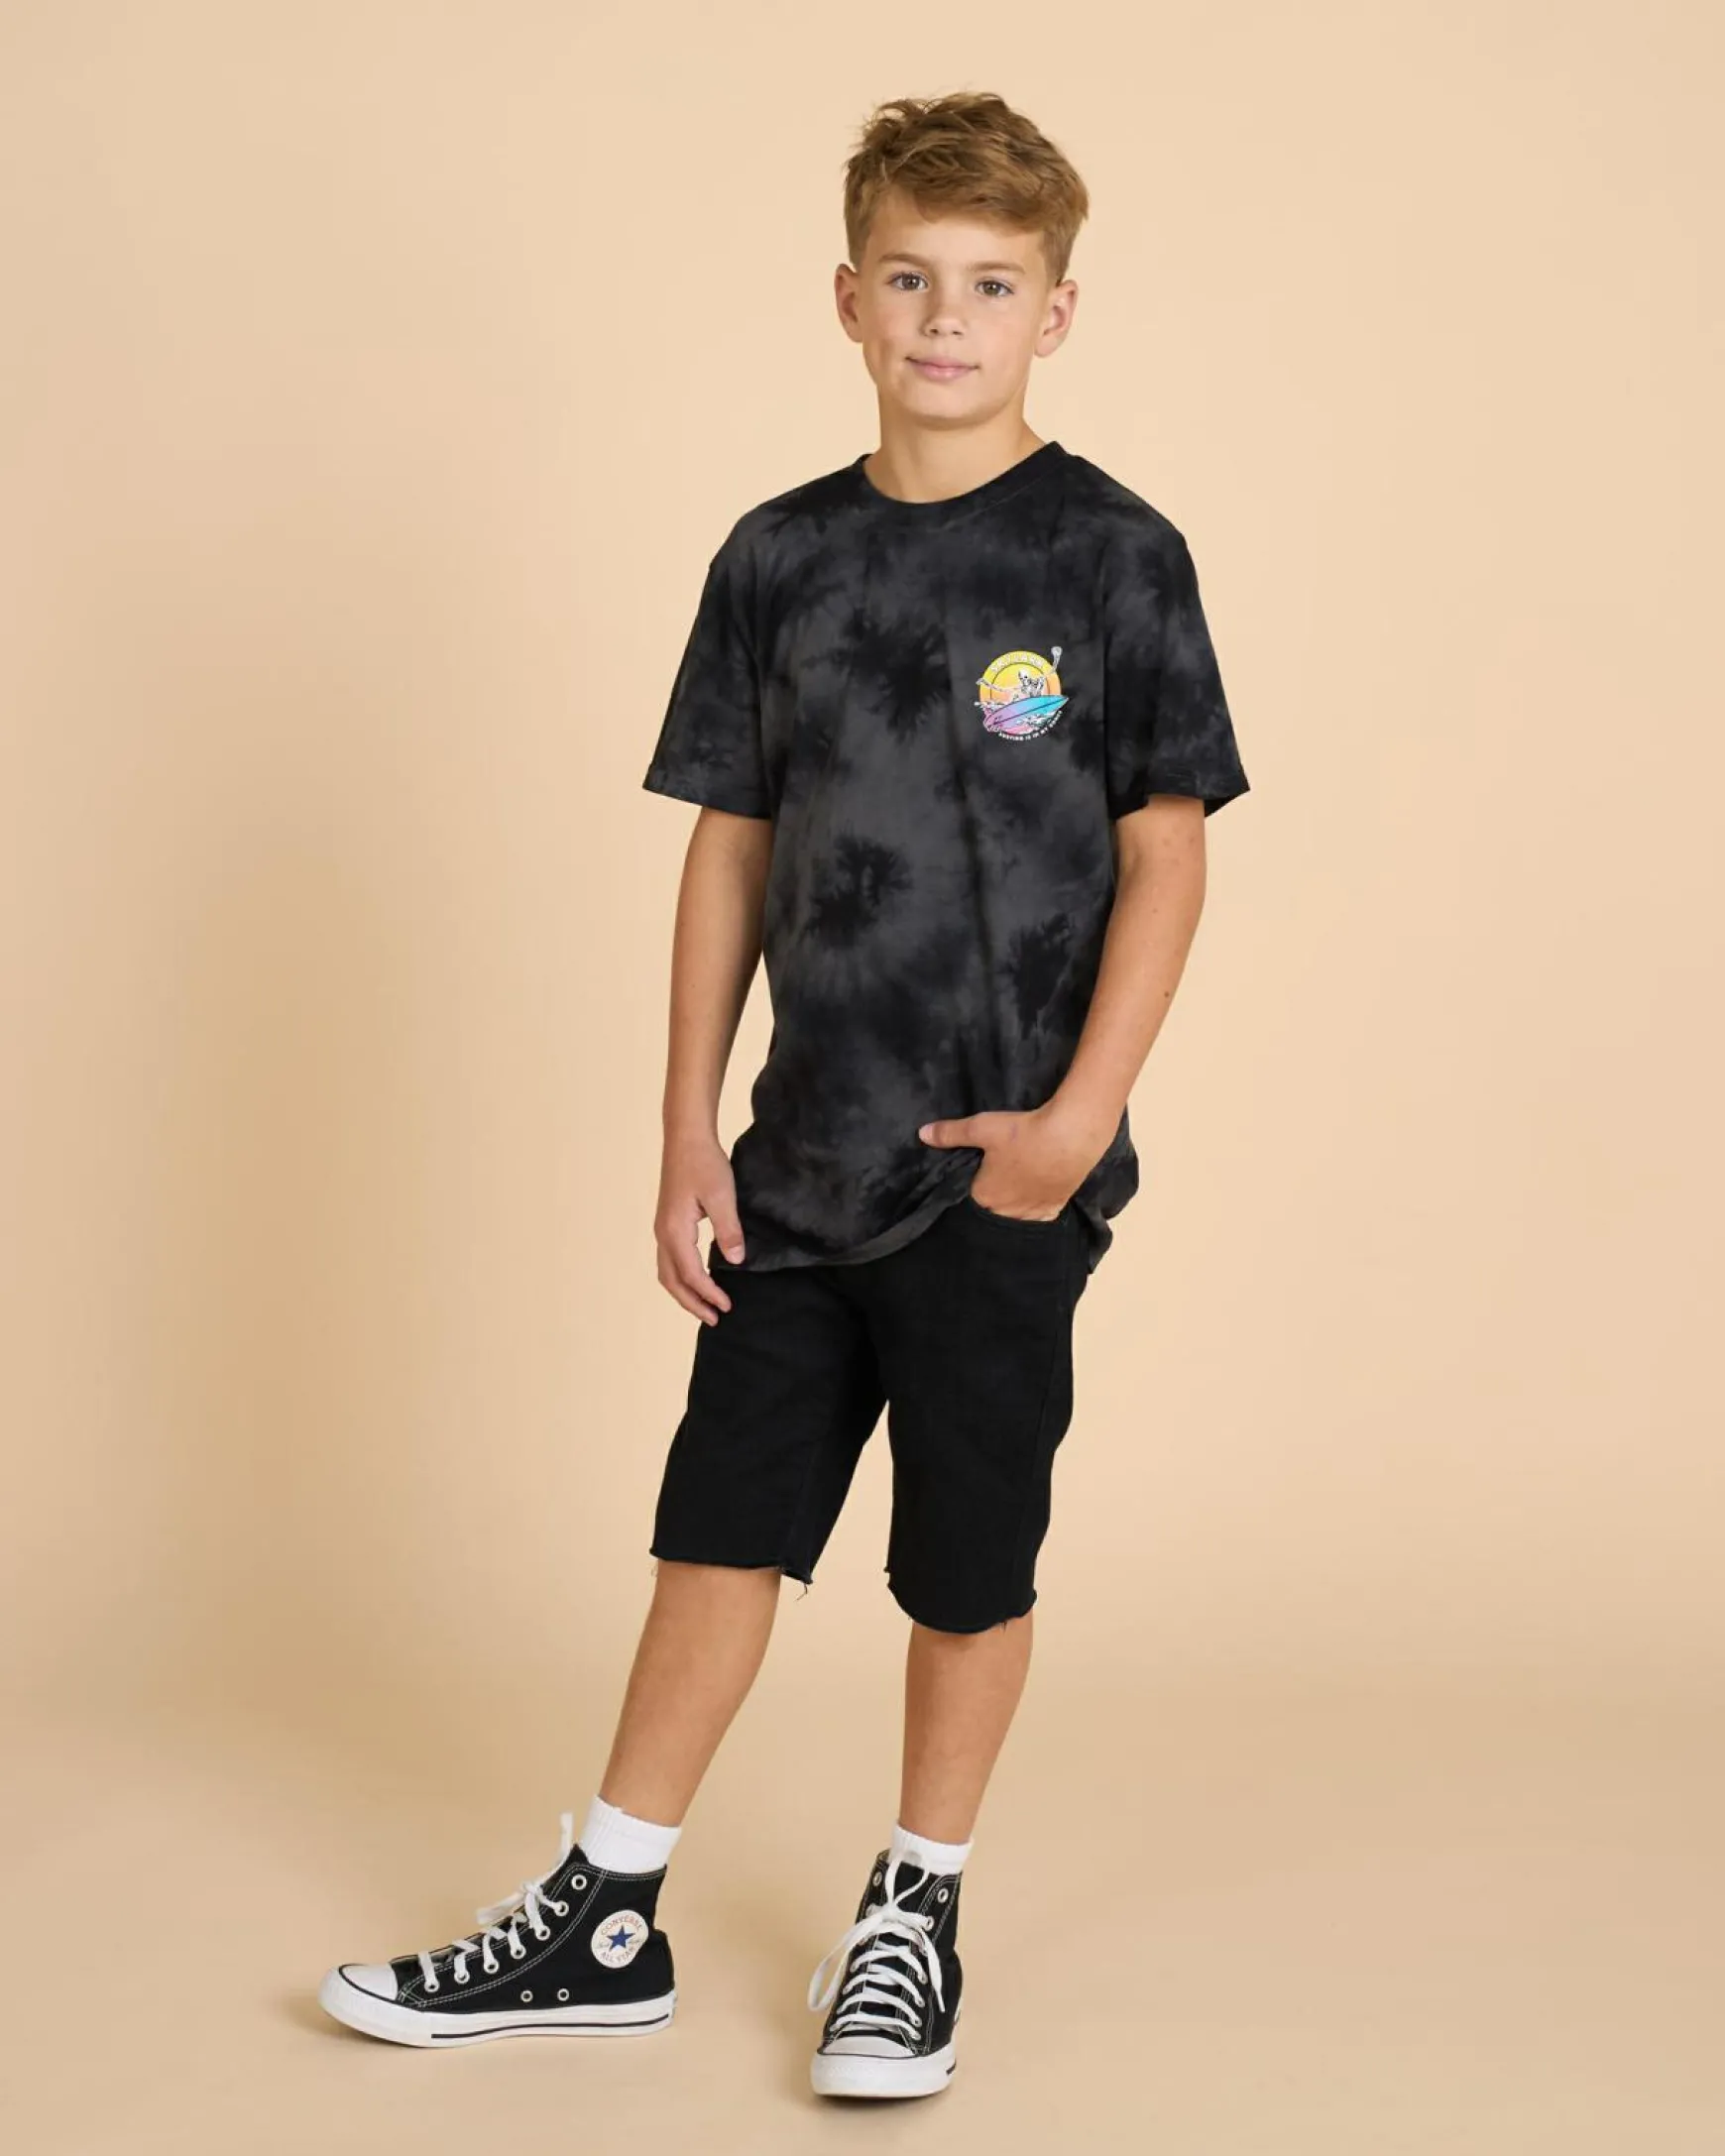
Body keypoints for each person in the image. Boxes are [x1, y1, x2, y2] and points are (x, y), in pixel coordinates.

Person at [318, 87, 1249, 2102]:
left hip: (1000, 1171)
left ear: (1055, 313)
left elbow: (1169, 849)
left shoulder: (1114, 553)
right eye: (910, 278)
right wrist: (686, 1131)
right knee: (717, 1525)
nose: (945, 318)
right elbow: (730, 843)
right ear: (847, 298)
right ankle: (606, 1908)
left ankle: (915, 1908)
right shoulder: (780, 558)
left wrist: (1079, 1120)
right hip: (797, 1168)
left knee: (967, 1557)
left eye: (989, 285)